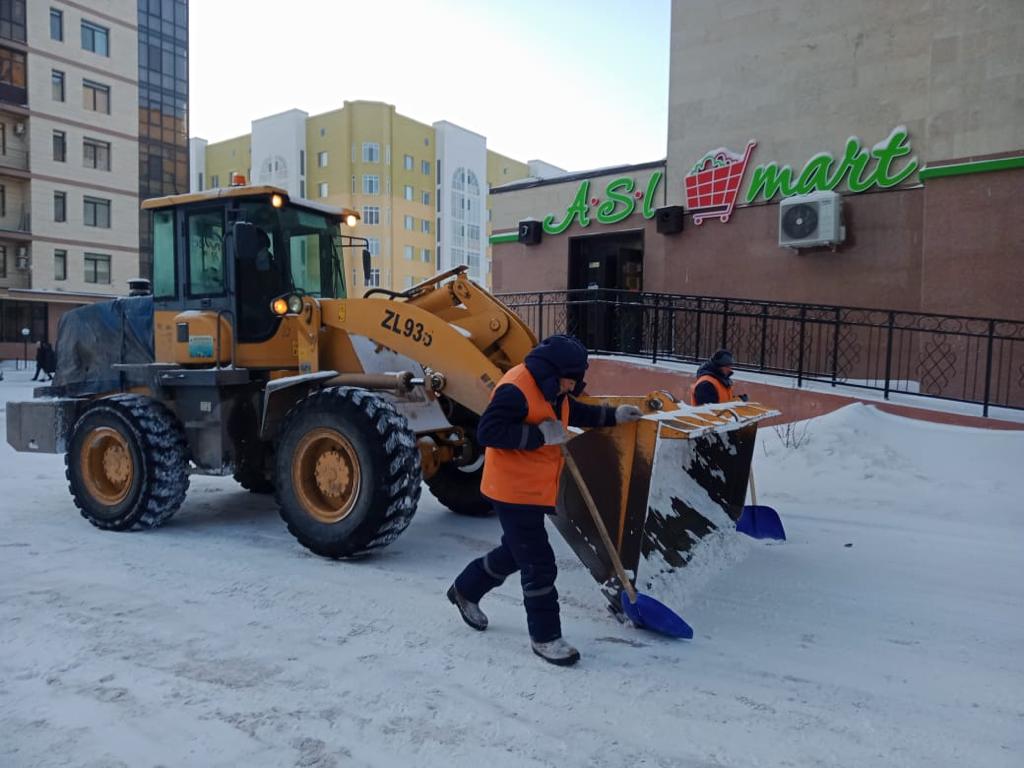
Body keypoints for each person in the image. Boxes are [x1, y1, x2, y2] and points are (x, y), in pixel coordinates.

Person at [448, 335, 643, 667]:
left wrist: (614, 416)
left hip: (532, 488)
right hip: (511, 490)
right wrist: (539, 436)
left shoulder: (553, 388)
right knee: (539, 562)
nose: (573, 385)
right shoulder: (516, 389)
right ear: (554, 371)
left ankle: (466, 588)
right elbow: (488, 432)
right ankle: (546, 636)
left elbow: (574, 410)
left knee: (516, 551)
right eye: (572, 378)